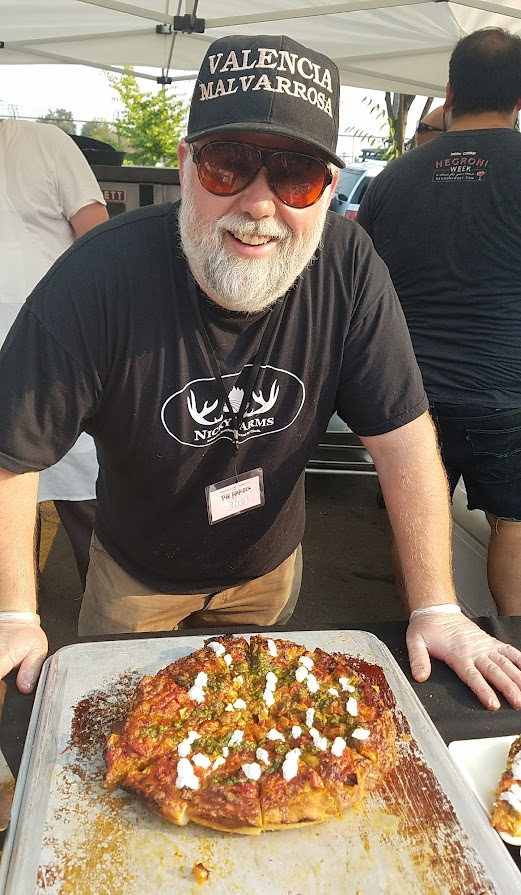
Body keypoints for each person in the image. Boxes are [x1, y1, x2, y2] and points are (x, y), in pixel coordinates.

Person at [0, 34, 520, 714]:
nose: (258, 204)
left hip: (267, 569)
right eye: (227, 165)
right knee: (125, 727)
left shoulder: (346, 263)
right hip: (135, 574)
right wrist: (14, 614)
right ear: (186, 165)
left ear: (328, 189)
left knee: (252, 729)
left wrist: (437, 604)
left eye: (295, 176)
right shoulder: (101, 272)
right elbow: (12, 455)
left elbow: (401, 435)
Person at [358, 27, 521, 620]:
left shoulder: (392, 180)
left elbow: (360, 288)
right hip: (507, 392)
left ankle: (419, 640)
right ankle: (513, 658)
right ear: (519, 98)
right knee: (514, 519)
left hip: (407, 395)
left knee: (415, 513)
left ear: (449, 92)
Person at [0, 118, 109, 587]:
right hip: (49, 352)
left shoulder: (42, 141)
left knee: (86, 492)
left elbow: (97, 240)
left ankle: (108, 612)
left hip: (60, 355)